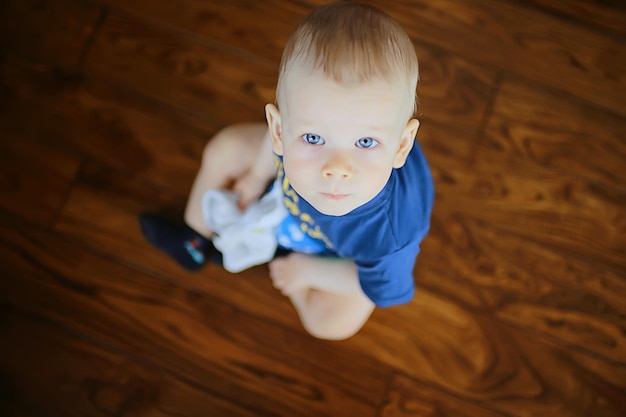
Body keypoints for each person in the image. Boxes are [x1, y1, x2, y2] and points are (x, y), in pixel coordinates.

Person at [140, 1, 434, 341]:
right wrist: (256, 176)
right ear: (280, 130)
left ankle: (282, 254)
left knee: (330, 324)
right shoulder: (288, 142)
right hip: (298, 203)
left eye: (366, 142)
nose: (336, 169)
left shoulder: (390, 236)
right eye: (313, 137)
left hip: (337, 256)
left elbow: (380, 287)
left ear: (400, 145)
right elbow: (271, 149)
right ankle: (192, 240)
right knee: (226, 148)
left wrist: (308, 271)